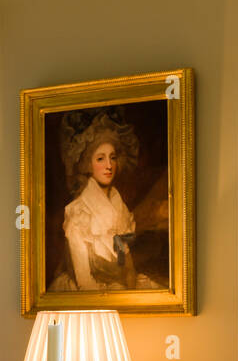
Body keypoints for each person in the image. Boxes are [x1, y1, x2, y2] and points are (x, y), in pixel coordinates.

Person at [50, 111, 162, 292]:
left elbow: (127, 268)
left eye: (113, 157)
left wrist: (127, 289)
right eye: (100, 158)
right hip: (89, 294)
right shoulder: (79, 213)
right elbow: (84, 282)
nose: (109, 166)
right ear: (88, 163)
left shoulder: (121, 210)